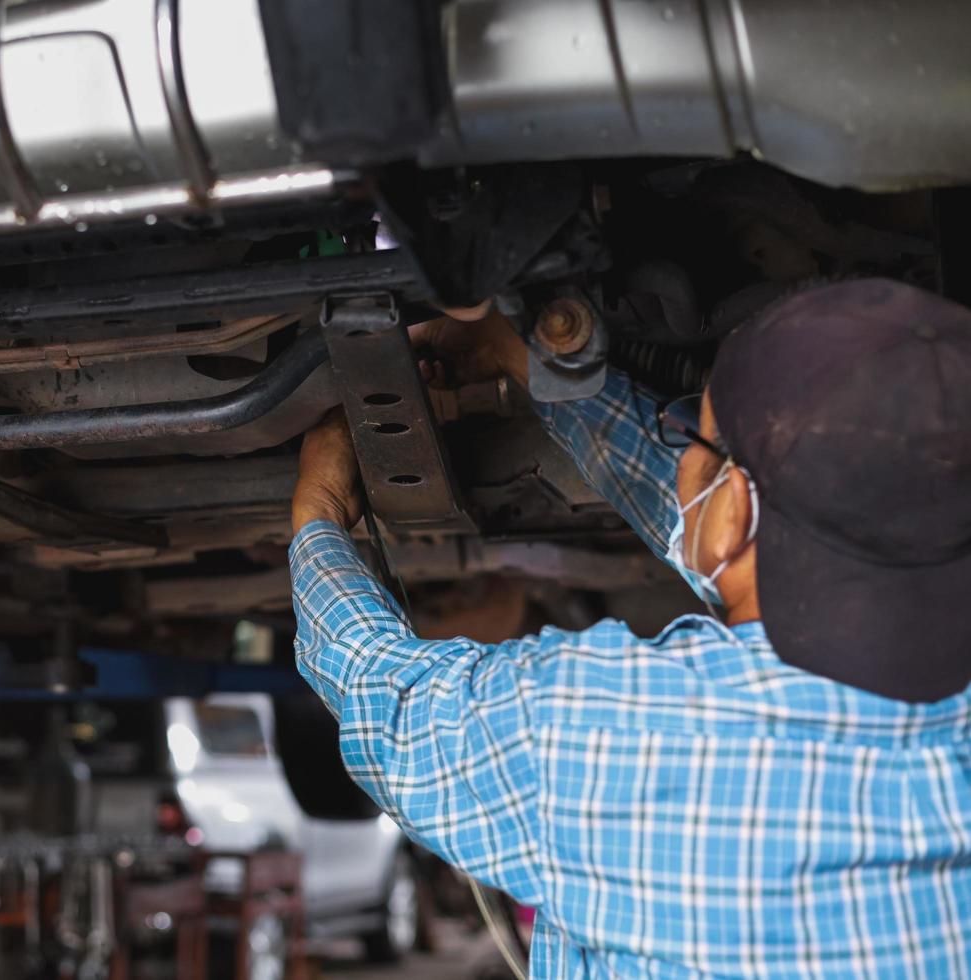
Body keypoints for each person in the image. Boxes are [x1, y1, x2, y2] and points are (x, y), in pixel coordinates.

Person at [288, 279, 971, 977]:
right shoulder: (615, 734)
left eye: (693, 439)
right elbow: (728, 541)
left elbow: (387, 698)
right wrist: (530, 365)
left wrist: (317, 507)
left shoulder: (605, 734)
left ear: (732, 508)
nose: (684, 463)